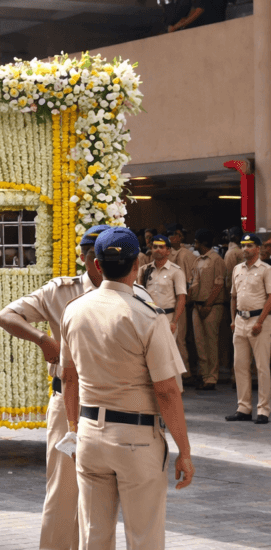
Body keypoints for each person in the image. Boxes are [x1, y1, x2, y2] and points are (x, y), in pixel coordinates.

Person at [61, 227, 193, 549]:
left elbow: (68, 378)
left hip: (91, 434)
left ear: (97, 266)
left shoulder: (74, 311)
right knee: (144, 538)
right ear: (137, 266)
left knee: (93, 537)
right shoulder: (146, 316)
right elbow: (167, 391)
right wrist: (184, 452)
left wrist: (75, 428)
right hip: (136, 440)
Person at [0, 224, 112, 550]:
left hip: (113, 401)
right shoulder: (60, 291)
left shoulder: (127, 292)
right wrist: (42, 338)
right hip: (68, 401)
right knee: (63, 493)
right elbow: (6, 316)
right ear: (90, 260)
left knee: (102, 495)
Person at [226, 233, 271, 424]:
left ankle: (263, 410)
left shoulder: (266, 270)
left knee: (261, 367)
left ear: (258, 249)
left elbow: (270, 297)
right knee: (240, 366)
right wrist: (233, 320)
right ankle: (243, 408)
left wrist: (260, 321)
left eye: (250, 245)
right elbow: (233, 297)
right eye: (243, 245)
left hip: (259, 321)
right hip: (240, 321)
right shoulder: (237, 269)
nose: (245, 249)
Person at [137, 235, 188, 389]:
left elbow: (181, 298)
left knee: (170, 354)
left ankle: (176, 390)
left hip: (167, 316)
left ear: (168, 251)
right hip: (148, 317)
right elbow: (139, 295)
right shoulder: (145, 270)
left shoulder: (175, 271)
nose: (157, 250)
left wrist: (174, 321)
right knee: (149, 354)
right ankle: (155, 389)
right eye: (154, 247)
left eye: (161, 247)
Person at [190, 229, 227, 392]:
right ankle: (204, 375)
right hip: (197, 306)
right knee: (200, 343)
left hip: (212, 306)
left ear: (203, 243)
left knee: (211, 342)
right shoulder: (198, 260)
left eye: (196, 242)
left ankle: (212, 377)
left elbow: (218, 284)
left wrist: (207, 304)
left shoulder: (216, 260)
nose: (195, 245)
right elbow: (194, 282)